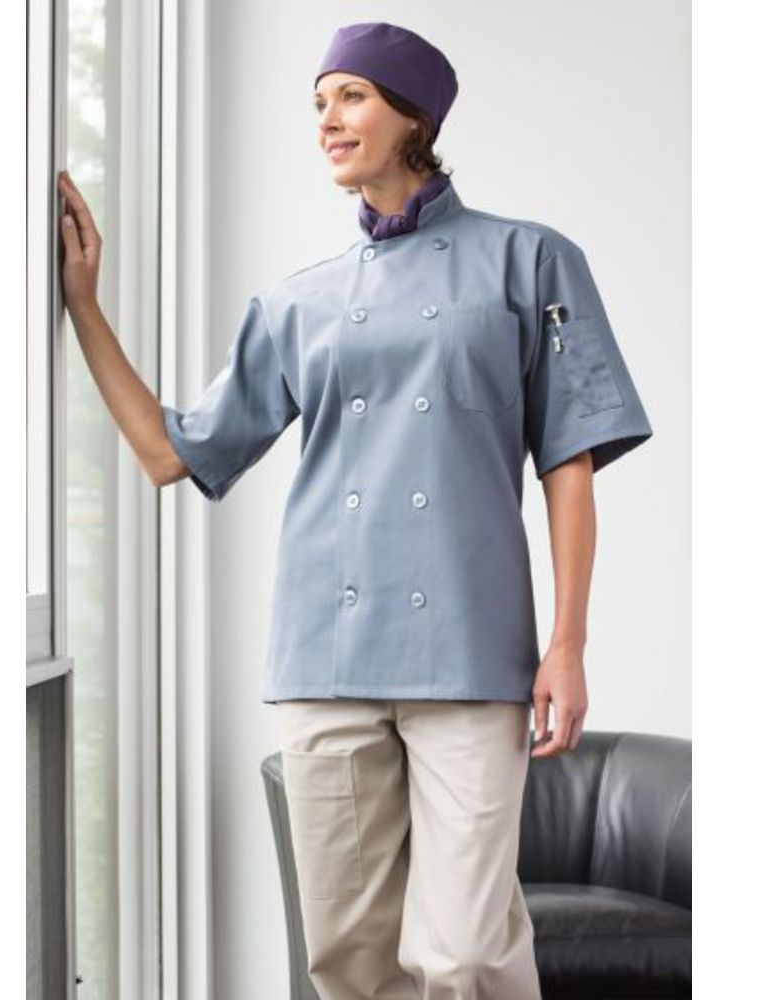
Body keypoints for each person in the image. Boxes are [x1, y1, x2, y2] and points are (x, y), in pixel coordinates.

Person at [58, 20, 653, 1000]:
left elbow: (569, 463)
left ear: (413, 116)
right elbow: (172, 453)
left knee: (467, 953)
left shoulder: (530, 261)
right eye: (317, 103)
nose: (327, 119)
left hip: (471, 653)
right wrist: (86, 305)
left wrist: (567, 643)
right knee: (348, 957)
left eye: (351, 96)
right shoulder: (299, 304)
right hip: (325, 654)